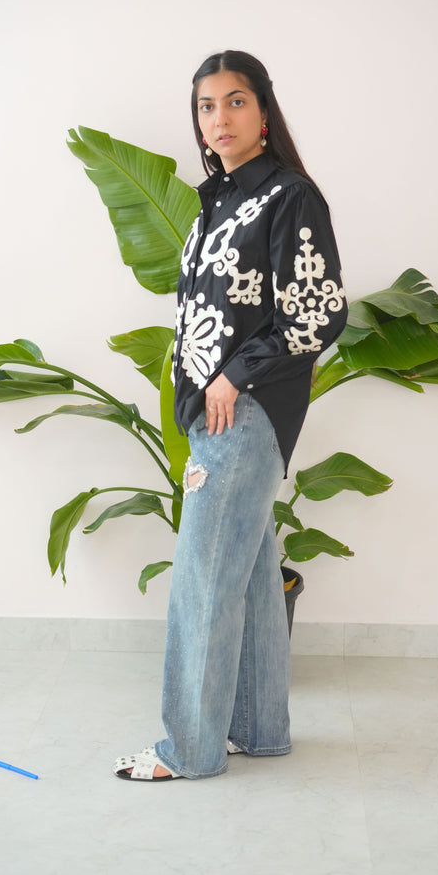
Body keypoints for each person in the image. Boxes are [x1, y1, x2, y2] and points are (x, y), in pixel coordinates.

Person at [114, 50, 348, 781]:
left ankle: (188, 750)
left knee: (203, 582)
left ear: (265, 112)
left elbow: (318, 312)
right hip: (215, 414)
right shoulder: (215, 201)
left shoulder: (289, 196)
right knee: (246, 577)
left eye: (236, 101)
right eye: (207, 106)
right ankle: (260, 730)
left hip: (243, 413)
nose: (220, 118)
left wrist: (232, 379)